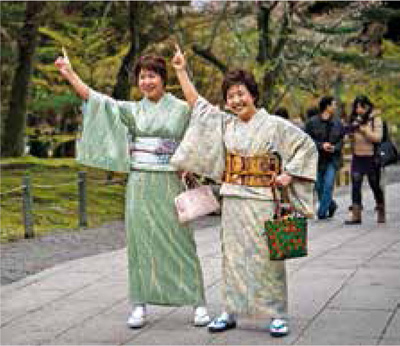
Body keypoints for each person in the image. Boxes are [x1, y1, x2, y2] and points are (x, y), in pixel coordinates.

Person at [54, 52, 210, 328]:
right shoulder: (133, 110)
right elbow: (97, 101)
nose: (147, 82)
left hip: (169, 181)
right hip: (139, 182)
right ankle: (139, 303)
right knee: (140, 244)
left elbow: (199, 120)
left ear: (163, 79)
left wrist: (188, 161)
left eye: (152, 76)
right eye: (142, 77)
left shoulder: (181, 108)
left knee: (181, 242)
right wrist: (69, 73)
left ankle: (197, 301)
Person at [170, 45, 317, 337]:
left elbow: (306, 146)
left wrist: (290, 173)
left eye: (241, 94)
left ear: (253, 95)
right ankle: (230, 310)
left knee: (266, 258)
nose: (236, 100)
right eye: (230, 96)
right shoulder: (226, 125)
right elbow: (198, 105)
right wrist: (180, 71)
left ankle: (275, 313)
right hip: (234, 198)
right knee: (232, 256)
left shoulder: (275, 125)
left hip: (264, 198)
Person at [344, 95, 385, 224]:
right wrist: (350, 131)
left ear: (367, 106)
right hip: (357, 156)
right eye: (356, 107)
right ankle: (356, 216)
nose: (358, 109)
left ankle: (381, 209)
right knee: (356, 185)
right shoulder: (355, 119)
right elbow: (347, 135)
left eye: (361, 106)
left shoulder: (375, 119)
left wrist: (364, 131)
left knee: (374, 185)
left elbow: (378, 138)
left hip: (372, 157)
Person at [305, 96, 344, 220]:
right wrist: (321, 145)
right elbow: (307, 140)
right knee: (319, 187)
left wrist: (335, 147)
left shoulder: (338, 123)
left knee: (328, 185)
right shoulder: (311, 122)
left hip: (332, 159)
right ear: (327, 106)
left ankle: (321, 213)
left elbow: (341, 140)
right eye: (334, 104)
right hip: (317, 160)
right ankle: (331, 205)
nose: (335, 107)